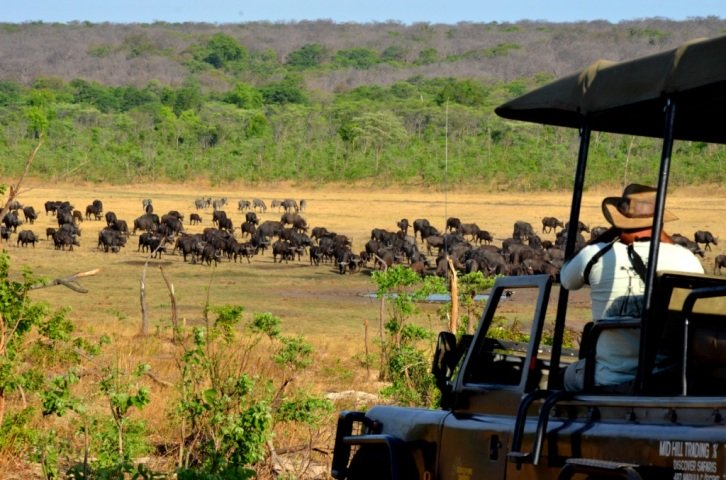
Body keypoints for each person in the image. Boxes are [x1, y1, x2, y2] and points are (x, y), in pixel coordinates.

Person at [560, 184, 704, 391]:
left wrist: (611, 233)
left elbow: (566, 279)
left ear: (618, 221)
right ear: (660, 223)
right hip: (669, 378)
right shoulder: (687, 258)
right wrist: (661, 235)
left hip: (607, 379)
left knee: (560, 378)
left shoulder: (596, 254)